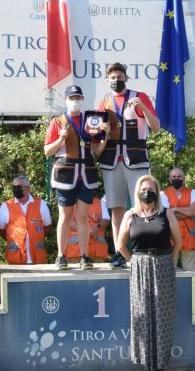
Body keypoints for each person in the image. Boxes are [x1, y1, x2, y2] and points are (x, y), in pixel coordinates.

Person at [96, 62, 161, 269]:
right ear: (108, 80)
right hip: (111, 160)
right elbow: (96, 135)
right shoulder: (104, 102)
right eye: (112, 78)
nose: (116, 81)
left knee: (143, 205)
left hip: (136, 160)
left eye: (119, 77)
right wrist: (102, 131)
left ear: (126, 77)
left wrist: (142, 108)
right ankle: (119, 252)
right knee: (116, 209)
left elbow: (156, 128)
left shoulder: (138, 97)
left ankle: (142, 249)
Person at [116, 175, 182, 371]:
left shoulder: (166, 214)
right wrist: (135, 261)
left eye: (151, 189)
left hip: (163, 266)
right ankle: (146, 364)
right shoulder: (130, 215)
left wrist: (168, 260)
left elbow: (178, 243)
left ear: (157, 191)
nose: (147, 192)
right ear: (137, 192)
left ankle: (161, 364)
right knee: (142, 315)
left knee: (163, 316)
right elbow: (120, 245)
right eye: (143, 189)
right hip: (139, 267)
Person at [44, 85, 108, 270]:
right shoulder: (57, 122)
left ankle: (84, 256)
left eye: (78, 97)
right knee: (65, 216)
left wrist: (104, 136)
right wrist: (61, 138)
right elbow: (48, 151)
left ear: (82, 99)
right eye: (72, 97)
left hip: (86, 172)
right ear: (65, 100)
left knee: (82, 216)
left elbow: (96, 150)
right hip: (65, 173)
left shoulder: (91, 120)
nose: (75, 101)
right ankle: (60, 255)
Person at [0, 175, 52, 264]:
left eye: (18, 187)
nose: (15, 190)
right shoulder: (6, 206)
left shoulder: (41, 204)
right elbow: (1, 230)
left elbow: (48, 227)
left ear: (28, 188)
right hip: (15, 258)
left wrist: (35, 236)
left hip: (37, 259)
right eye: (14, 187)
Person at [161, 167, 195, 272]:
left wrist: (175, 209)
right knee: (168, 273)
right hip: (169, 240)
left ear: (183, 178)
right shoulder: (163, 194)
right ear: (169, 179)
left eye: (179, 176)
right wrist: (188, 211)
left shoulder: (192, 192)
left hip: (190, 239)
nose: (176, 178)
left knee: (192, 275)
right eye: (174, 177)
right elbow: (166, 215)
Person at [65, 195, 110, 262]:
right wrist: (88, 230)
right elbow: (67, 220)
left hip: (97, 253)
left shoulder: (100, 202)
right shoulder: (70, 202)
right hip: (75, 253)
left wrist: (96, 227)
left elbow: (106, 220)